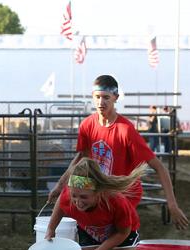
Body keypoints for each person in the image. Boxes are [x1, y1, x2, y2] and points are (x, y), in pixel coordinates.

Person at [49, 74, 188, 231]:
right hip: (99, 189)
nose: (101, 102)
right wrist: (60, 185)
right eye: (97, 97)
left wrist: (172, 204)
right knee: (71, 198)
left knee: (117, 236)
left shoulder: (125, 130)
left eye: (106, 97)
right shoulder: (87, 125)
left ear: (116, 97)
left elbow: (159, 167)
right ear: (93, 97)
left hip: (123, 192)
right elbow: (82, 157)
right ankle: (50, 232)